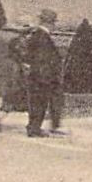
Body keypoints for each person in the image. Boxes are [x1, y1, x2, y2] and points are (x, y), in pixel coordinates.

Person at [22, 9, 64, 137]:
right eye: (53, 23)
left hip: (35, 75)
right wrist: (49, 77)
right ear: (49, 23)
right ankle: (34, 129)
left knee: (36, 102)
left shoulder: (35, 35)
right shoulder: (43, 38)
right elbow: (43, 59)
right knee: (40, 102)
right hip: (43, 77)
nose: (54, 26)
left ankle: (34, 127)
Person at [0, 22, 33, 132]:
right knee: (18, 97)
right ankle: (0, 117)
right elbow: (21, 56)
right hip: (18, 73)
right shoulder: (22, 43)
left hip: (16, 72)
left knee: (12, 98)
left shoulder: (16, 41)